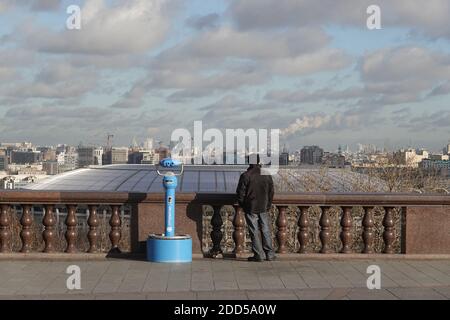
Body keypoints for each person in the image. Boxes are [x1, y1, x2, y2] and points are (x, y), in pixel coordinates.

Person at [236, 154, 276, 262]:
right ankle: (270, 254)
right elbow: (271, 192)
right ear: (259, 162)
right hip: (263, 206)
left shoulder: (246, 175)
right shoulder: (266, 174)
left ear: (249, 162)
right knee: (265, 230)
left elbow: (240, 194)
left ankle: (259, 254)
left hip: (251, 207)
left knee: (254, 231)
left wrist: (243, 205)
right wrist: (268, 204)